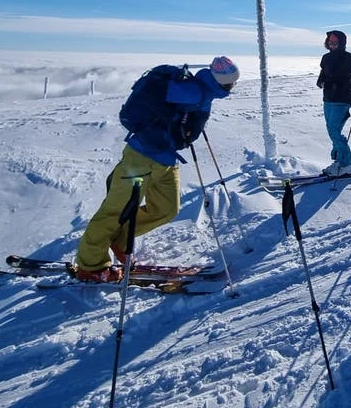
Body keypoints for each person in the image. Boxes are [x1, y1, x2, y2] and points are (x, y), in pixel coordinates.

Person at [74, 56, 240, 282]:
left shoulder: (203, 91)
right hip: (141, 158)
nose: (233, 87)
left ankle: (121, 241)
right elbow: (161, 98)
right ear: (220, 81)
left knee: (166, 209)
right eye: (231, 83)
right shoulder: (193, 92)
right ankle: (90, 265)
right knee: (114, 212)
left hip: (166, 160)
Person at [317, 30, 351, 177]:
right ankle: (338, 162)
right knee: (331, 131)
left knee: (334, 131)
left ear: (342, 43)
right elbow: (324, 72)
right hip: (328, 98)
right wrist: (320, 81)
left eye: (335, 42)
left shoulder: (349, 58)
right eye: (330, 42)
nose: (332, 44)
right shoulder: (326, 58)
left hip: (342, 99)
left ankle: (346, 164)